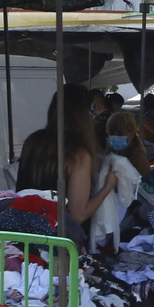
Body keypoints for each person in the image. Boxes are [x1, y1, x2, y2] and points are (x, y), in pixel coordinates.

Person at [17, 84, 119, 239]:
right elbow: (78, 214)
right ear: (83, 114)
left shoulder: (33, 141)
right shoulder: (79, 153)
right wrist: (108, 186)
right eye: (91, 111)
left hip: (23, 232)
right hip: (59, 241)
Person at [106, 111, 151, 176]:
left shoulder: (139, 157)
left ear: (131, 135)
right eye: (111, 133)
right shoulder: (108, 153)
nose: (115, 137)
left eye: (119, 134)